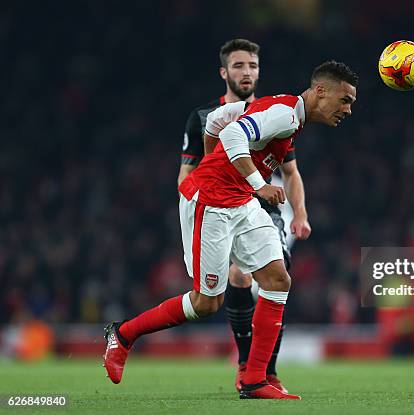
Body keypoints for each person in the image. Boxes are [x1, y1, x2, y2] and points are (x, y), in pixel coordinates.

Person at [103, 60, 358, 399]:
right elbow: (233, 133)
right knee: (206, 303)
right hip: (211, 203)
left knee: (277, 279)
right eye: (345, 100)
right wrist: (257, 184)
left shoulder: (283, 110)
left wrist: (218, 161)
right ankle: (123, 335)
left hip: (239, 203)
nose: (348, 109)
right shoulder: (284, 113)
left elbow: (217, 122)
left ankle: (255, 379)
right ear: (321, 91)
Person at [179, 38, 311, 393]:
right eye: (238, 66)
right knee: (234, 282)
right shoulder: (204, 117)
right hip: (221, 204)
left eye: (252, 65)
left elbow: (292, 172)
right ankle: (246, 366)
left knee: (275, 279)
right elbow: (187, 173)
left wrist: (299, 213)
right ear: (224, 72)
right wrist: (197, 203)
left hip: (264, 207)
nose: (247, 72)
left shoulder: (273, 114)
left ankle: (267, 371)